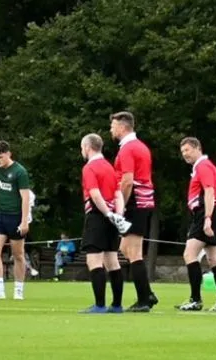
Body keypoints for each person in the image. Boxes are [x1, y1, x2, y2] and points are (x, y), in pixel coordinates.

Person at [109, 110, 159, 312]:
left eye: (112, 126)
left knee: (133, 251)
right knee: (126, 248)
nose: (111, 130)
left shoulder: (128, 149)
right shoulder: (140, 146)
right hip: (142, 201)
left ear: (122, 127)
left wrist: (120, 207)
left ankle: (144, 298)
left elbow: (128, 181)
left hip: (136, 201)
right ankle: (147, 293)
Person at [179, 136, 216, 312]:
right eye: (183, 152)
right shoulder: (201, 167)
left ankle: (195, 299)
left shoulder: (203, 166)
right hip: (214, 212)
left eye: (187, 150)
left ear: (197, 148)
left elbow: (209, 191)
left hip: (207, 212)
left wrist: (207, 217)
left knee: (189, 254)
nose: (185, 154)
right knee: (214, 257)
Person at [78, 133, 127, 314]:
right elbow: (118, 194)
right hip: (113, 217)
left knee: (94, 260)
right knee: (112, 261)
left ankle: (99, 305)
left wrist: (106, 213)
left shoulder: (90, 168)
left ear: (88, 147)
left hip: (98, 216)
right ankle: (117, 305)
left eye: (82, 148)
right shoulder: (109, 167)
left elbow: (94, 193)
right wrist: (118, 215)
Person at [0, 140, 32, 300]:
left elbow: (25, 198)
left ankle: (18, 289)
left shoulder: (19, 172)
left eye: (1, 157)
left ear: (9, 154)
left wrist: (24, 221)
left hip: (15, 216)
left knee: (18, 254)